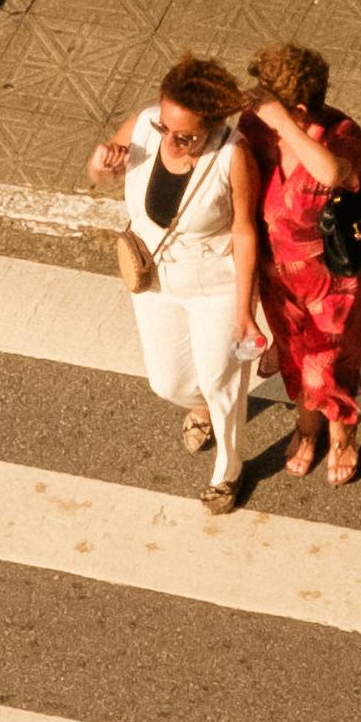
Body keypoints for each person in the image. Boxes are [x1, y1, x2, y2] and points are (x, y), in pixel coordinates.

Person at [91, 51, 274, 514]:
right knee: (167, 383)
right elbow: (100, 176)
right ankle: (203, 406)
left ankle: (228, 470)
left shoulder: (232, 156)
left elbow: (245, 232)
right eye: (165, 129)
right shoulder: (142, 126)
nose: (170, 142)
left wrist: (244, 312)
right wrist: (101, 166)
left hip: (214, 286)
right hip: (154, 280)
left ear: (212, 126)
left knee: (220, 379)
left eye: (186, 137)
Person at [244, 40, 361, 486]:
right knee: (293, 355)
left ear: (300, 110)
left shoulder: (341, 136)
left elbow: (331, 173)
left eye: (269, 102)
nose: (257, 106)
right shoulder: (255, 126)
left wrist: (283, 124)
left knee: (330, 362)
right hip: (277, 275)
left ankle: (341, 429)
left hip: (331, 278)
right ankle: (307, 422)